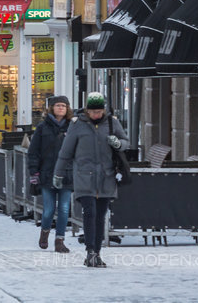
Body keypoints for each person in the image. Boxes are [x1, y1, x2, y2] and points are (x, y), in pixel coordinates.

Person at [54, 93, 128, 268]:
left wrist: (118, 143)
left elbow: (125, 142)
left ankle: (97, 253)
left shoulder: (112, 123)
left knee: (100, 215)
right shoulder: (77, 125)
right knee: (90, 213)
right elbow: (66, 152)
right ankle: (90, 251)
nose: (97, 115)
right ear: (87, 110)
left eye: (99, 111)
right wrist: (58, 174)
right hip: (84, 177)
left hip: (106, 177)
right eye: (94, 111)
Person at [27, 95, 73, 253]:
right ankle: (45, 233)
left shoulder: (72, 127)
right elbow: (33, 152)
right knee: (48, 210)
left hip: (67, 174)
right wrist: (34, 172)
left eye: (64, 106)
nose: (61, 108)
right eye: (58, 105)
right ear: (51, 108)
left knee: (64, 209)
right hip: (47, 174)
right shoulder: (42, 127)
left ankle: (59, 240)